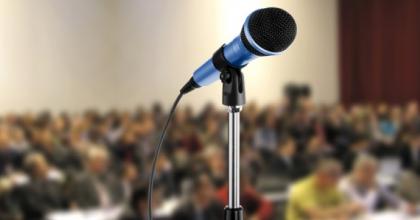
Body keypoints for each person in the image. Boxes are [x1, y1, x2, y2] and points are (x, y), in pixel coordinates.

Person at [286, 158, 363, 220]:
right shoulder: (301, 189)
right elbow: (317, 214)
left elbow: (346, 208)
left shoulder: (332, 186)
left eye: (338, 177)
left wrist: (344, 211)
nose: (337, 181)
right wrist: (345, 209)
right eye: (334, 177)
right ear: (320, 175)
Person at [339, 155, 413, 213]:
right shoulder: (346, 184)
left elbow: (392, 199)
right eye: (369, 173)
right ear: (358, 171)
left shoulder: (374, 182)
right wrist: (372, 190)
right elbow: (363, 208)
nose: (372, 176)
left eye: (374, 173)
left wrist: (405, 206)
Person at [13, 153, 65, 219]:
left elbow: (63, 201)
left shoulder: (54, 183)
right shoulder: (25, 188)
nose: (47, 167)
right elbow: (33, 207)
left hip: (58, 216)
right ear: (33, 169)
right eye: (43, 165)